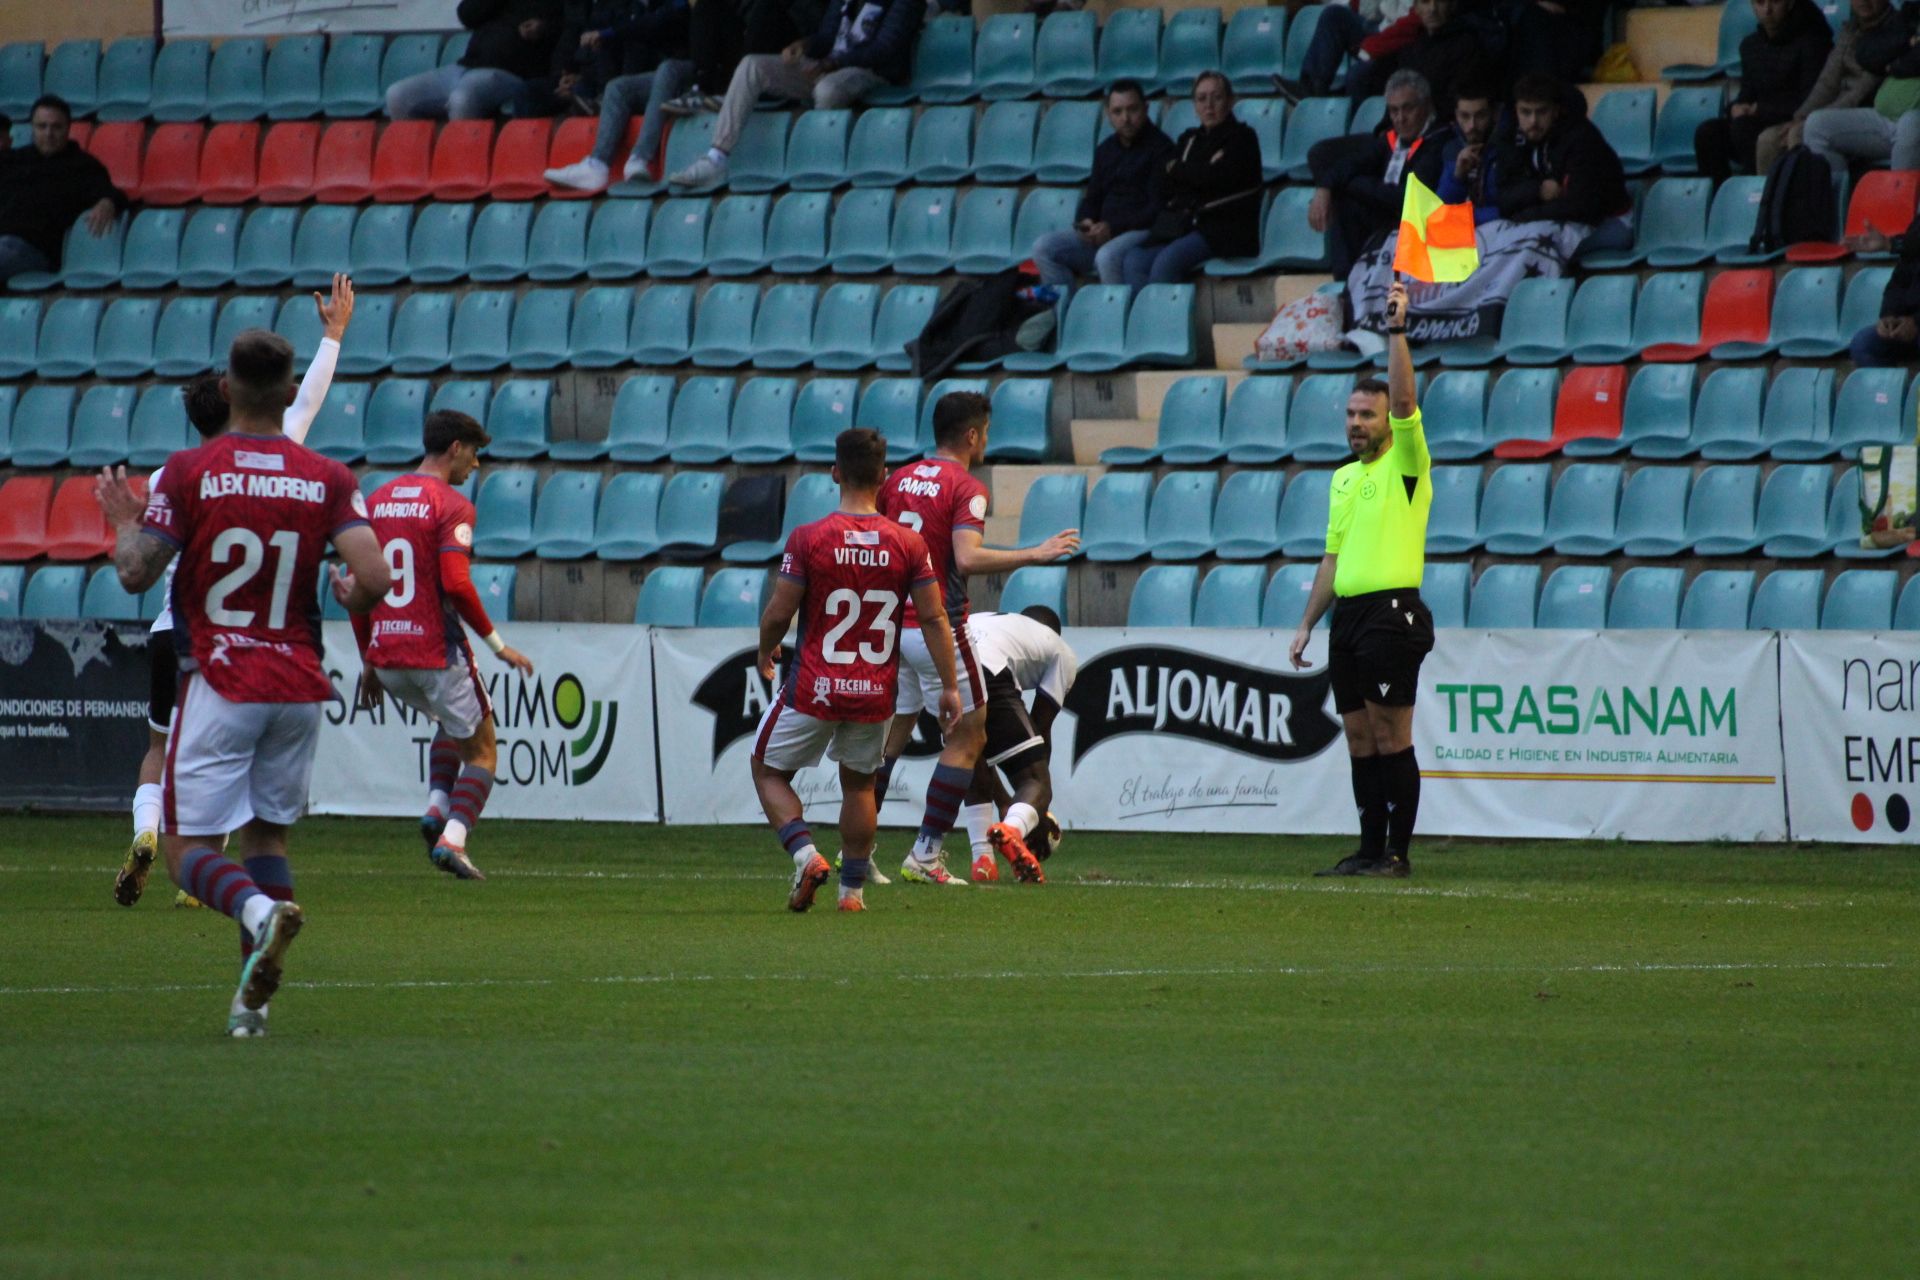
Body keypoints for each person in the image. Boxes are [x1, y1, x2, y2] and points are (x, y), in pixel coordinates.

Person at [94, 330, 392, 1037]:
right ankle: (249, 1010)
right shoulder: (328, 476)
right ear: (292, 394)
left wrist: (123, 523)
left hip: (222, 679)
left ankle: (260, 916)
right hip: (298, 683)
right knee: (267, 844)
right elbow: (375, 578)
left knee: (186, 852)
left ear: (225, 389)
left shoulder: (191, 470)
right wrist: (351, 594)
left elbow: (137, 571)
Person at [115, 275, 357, 912]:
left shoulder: (177, 472)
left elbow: (140, 561)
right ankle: (230, 890)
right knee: (254, 797)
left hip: (177, 629)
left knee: (159, 751)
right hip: (256, 648)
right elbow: (307, 401)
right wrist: (333, 334)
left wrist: (122, 523)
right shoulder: (292, 466)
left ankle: (148, 828)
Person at [873, 391, 1078, 886]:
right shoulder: (966, 487)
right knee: (969, 740)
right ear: (971, 435)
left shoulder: (897, 480)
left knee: (888, 743)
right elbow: (965, 558)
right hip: (937, 624)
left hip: (890, 625)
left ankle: (859, 856)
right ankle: (925, 852)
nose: (987, 440)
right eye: (986, 431)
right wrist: (1035, 553)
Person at [751, 427, 959, 914]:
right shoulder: (908, 543)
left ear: (834, 473)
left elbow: (781, 613)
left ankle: (805, 855)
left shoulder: (808, 538)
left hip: (815, 685)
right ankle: (852, 894)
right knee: (861, 785)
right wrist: (948, 685)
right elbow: (933, 616)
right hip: (874, 691)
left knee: (766, 769)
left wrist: (765, 651)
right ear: (884, 477)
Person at [350, 412, 538, 882]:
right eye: (474, 453)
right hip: (436, 651)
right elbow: (456, 583)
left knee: (448, 723)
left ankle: (436, 808)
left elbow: (357, 587)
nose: (476, 466)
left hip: (390, 658)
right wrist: (497, 645)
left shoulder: (377, 500)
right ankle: (453, 838)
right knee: (484, 751)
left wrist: (368, 657)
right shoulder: (452, 505)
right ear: (456, 448)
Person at [1290, 281, 1433, 880]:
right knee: (1357, 737)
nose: (1356, 423)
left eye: (1366, 415)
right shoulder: (1343, 478)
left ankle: (1397, 855)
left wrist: (1396, 331)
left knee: (1389, 733)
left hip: (1392, 613)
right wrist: (1306, 624)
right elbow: (1332, 558)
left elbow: (1404, 399)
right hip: (1348, 616)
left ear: (1387, 422)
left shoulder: (1407, 462)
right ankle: (1369, 848)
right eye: (1350, 413)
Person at [667, 0, 924, 188]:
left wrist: (830, 64)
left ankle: (824, 164)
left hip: (871, 71)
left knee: (827, 90)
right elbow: (826, 37)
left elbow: (885, 49)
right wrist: (804, 45)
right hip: (828, 66)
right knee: (752, 66)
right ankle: (716, 158)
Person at [953, 605, 1078, 879]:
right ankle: (1013, 830)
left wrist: (1007, 800)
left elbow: (989, 749)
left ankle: (983, 861)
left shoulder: (990, 620)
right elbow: (1040, 726)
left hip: (944, 668)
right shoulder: (1058, 648)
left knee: (969, 754)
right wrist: (1033, 805)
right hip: (990, 668)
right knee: (1036, 781)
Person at [1121, 70, 1263, 289]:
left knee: (1165, 263)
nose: (1209, 105)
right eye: (1201, 99)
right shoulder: (1189, 139)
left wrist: (1181, 170)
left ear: (1230, 100)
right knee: (1134, 260)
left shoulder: (1243, 137)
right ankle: (1146, 319)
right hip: (1185, 223)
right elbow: (1165, 179)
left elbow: (1217, 178)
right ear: (1194, 105)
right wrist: (1196, 172)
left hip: (1223, 227)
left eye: (1216, 97)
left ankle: (1166, 322)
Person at [1029, 79, 1173, 287]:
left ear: (1146, 108)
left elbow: (1155, 209)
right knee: (1043, 247)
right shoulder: (1105, 150)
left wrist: (1112, 228)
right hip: (1103, 234)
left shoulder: (1162, 148)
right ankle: (1063, 312)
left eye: (1132, 110)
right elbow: (1093, 198)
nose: (1126, 119)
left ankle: (1115, 315)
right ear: (1108, 115)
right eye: (1117, 112)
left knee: (1106, 257)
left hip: (1141, 232)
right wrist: (1085, 221)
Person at [1307, 69, 1449, 278]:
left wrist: (1352, 184)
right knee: (1342, 198)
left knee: (1349, 194)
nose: (1400, 118)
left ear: (1426, 106)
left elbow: (1407, 199)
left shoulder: (1439, 142)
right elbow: (1352, 163)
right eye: (1393, 111)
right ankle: (1344, 282)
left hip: (1419, 227)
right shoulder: (1390, 140)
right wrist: (1324, 188)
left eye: (1407, 109)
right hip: (1387, 219)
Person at [542, 6, 695, 190]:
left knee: (667, 69)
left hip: (700, 71)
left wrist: (607, 34)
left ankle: (640, 158)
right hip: (663, 75)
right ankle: (597, 165)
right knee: (617, 87)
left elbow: (660, 20)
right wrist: (569, 69)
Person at [1493, 73, 1632, 257]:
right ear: (1516, 111)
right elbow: (1503, 196)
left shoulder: (1581, 139)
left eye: (1541, 112)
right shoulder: (1513, 139)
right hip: (1553, 220)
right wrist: (1537, 191)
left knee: (1527, 247)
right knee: (1492, 239)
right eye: (1525, 112)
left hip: (1608, 223)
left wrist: (1525, 216)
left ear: (1556, 110)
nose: (1533, 121)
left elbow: (1583, 207)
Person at [1693, 0, 1832, 182]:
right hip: (1756, 120)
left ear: (1789, 4)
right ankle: (1720, 200)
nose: (1767, 10)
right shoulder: (1750, 46)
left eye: (1775, 2)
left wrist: (1759, 109)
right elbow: (1747, 94)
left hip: (1792, 122)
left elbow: (1811, 100)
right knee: (1708, 132)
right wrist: (1736, 108)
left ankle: (1756, 192)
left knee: (1743, 128)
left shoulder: (1811, 42)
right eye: (1760, 2)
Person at [0, 94, 128, 282]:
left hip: (35, 251)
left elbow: (113, 193)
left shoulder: (82, 166)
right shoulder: (15, 160)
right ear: (32, 129)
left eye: (56, 127)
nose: (49, 134)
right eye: (42, 126)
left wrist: (107, 202)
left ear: (68, 128)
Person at [1774, 0, 1901, 174]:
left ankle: (1827, 197)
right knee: (1769, 140)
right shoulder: (1849, 30)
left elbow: (1861, 92)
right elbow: (1827, 82)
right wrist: (1801, 116)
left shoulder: (1896, 29)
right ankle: (1767, 199)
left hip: (1867, 112)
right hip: (1834, 110)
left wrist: (1809, 120)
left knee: (1804, 132)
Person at [387, 0, 564, 120]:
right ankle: (416, 169)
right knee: (398, 95)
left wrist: (543, 29)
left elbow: (569, 27)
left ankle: (461, 170)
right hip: (467, 66)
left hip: (513, 73)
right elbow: (466, 14)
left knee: (462, 98)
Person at [1798, 0, 1920, 176]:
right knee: (1816, 125)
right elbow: (1867, 54)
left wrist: (1895, 64)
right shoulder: (1912, 12)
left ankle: (1899, 200)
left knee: (1910, 124)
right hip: (1885, 118)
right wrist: (1908, 43)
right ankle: (1837, 200)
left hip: (1914, 120)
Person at [1276, 0, 1415, 102]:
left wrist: (1373, 46)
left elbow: (1414, 24)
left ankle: (1355, 121)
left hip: (1404, 44)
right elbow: (1370, 13)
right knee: (1334, 14)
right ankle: (1311, 90)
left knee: (1357, 75)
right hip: (1382, 29)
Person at [1849, 225, 1920, 365]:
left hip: (1915, 323)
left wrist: (1916, 322)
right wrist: (1889, 316)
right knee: (1862, 344)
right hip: (1907, 325)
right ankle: (1892, 384)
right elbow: (1899, 283)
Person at [1434, 81, 1503, 222]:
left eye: (1480, 116)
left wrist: (1468, 217)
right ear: (1456, 115)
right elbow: (1441, 208)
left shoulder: (1507, 148)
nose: (1472, 125)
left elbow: (1510, 206)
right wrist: (1457, 177)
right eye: (1465, 116)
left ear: (1494, 114)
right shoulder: (1451, 149)